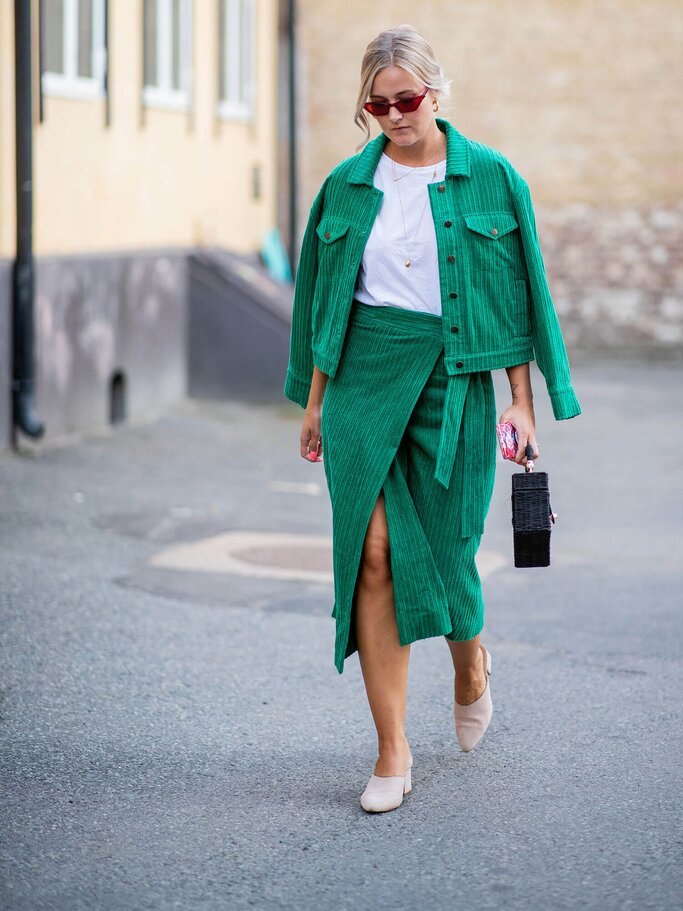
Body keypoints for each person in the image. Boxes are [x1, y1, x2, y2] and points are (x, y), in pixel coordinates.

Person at [283, 24, 581, 813]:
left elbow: (513, 295)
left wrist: (521, 399)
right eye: (376, 104)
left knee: (448, 555)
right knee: (372, 555)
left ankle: (470, 660)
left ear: (434, 92)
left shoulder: (489, 177)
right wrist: (314, 403)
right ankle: (391, 750)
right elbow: (322, 302)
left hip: (452, 382)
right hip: (360, 382)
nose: (392, 113)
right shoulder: (345, 188)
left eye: (405, 98)